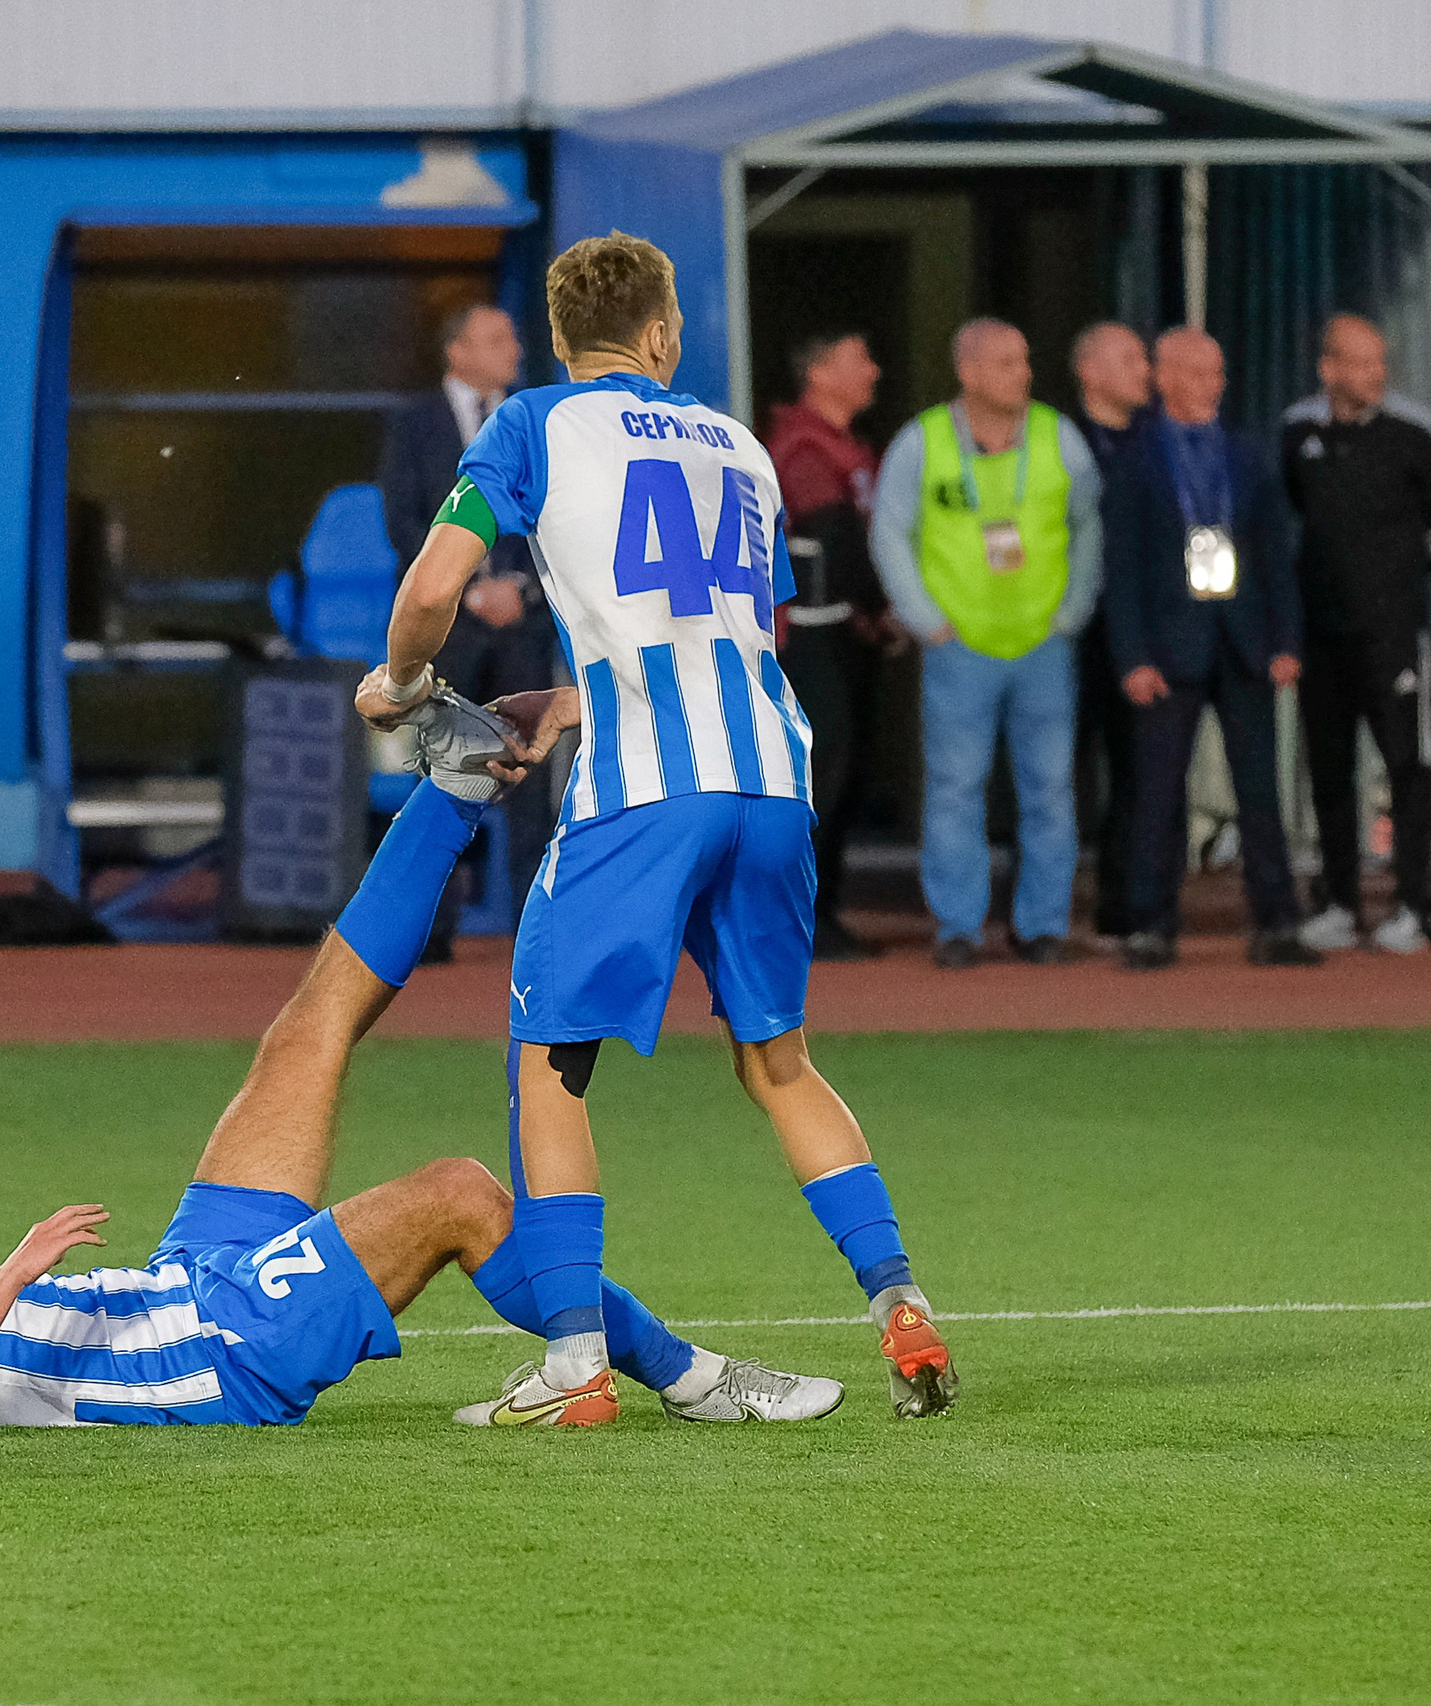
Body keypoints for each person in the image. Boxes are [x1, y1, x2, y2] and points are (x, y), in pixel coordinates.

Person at [0, 726, 844, 1432]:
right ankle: (693, 1377)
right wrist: (15, 1267)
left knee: (304, 1031)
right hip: (206, 1348)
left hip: (175, 1288)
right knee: (459, 1192)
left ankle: (456, 779)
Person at [356, 232, 959, 1428]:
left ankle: (575, 1366)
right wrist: (574, 694)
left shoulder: (532, 422)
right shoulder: (739, 446)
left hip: (642, 791)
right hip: (769, 782)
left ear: (558, 336)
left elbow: (431, 585)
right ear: (664, 331)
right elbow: (737, 637)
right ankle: (901, 1300)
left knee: (549, 1056)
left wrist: (403, 681)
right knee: (778, 1060)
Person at [872, 318, 1106, 968]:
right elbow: (889, 530)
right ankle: (958, 927)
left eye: (1024, 360)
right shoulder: (921, 442)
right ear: (968, 372)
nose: (1023, 373)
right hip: (960, 645)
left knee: (1050, 790)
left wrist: (1073, 610)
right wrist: (924, 619)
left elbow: (1089, 524)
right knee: (955, 789)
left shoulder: (1059, 436)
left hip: (1042, 643)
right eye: (1006, 363)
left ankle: (1042, 926)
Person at [1103, 328, 1319, 971]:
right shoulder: (1136, 460)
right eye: (1197, 373)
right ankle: (1150, 925)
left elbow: (1276, 553)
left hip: (1244, 641)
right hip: (1168, 648)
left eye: (1218, 373)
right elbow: (1122, 568)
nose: (1212, 386)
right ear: (1164, 378)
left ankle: (1278, 920)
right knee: (1157, 793)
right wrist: (1132, 657)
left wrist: (1286, 640)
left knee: (1260, 791)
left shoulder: (1247, 454)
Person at [1280, 313, 1431, 955]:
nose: (1375, 374)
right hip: (1322, 636)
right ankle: (1339, 901)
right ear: (1328, 369)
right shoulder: (1297, 434)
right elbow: (1293, 512)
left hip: (1393, 635)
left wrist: (1395, 573)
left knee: (1407, 767)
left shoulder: (1414, 436)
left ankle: (1412, 901)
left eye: (1379, 361)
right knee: (1330, 772)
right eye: (1360, 363)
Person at [377, 303, 552, 934]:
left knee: (532, 774)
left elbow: (556, 516)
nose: (515, 349)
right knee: (443, 771)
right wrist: (469, 590)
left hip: (523, 625)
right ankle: (428, 928)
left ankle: (536, 924)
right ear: (457, 351)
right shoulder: (414, 423)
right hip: (450, 627)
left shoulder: (533, 422)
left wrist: (522, 590)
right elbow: (403, 519)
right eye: (497, 338)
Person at [765, 330, 898, 961]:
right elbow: (833, 536)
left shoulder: (848, 445)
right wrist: (885, 606)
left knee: (846, 770)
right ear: (819, 373)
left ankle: (822, 911)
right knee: (822, 770)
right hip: (807, 633)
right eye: (859, 360)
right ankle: (799, 918)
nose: (874, 370)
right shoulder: (803, 446)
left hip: (845, 628)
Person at [1069, 322, 1155, 942]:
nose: (1144, 370)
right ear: (1090, 372)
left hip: (1138, 633)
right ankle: (1039, 911)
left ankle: (1125, 902)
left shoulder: (1158, 442)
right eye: (1129, 359)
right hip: (1067, 631)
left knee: (1138, 769)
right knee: (1055, 773)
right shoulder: (1055, 440)